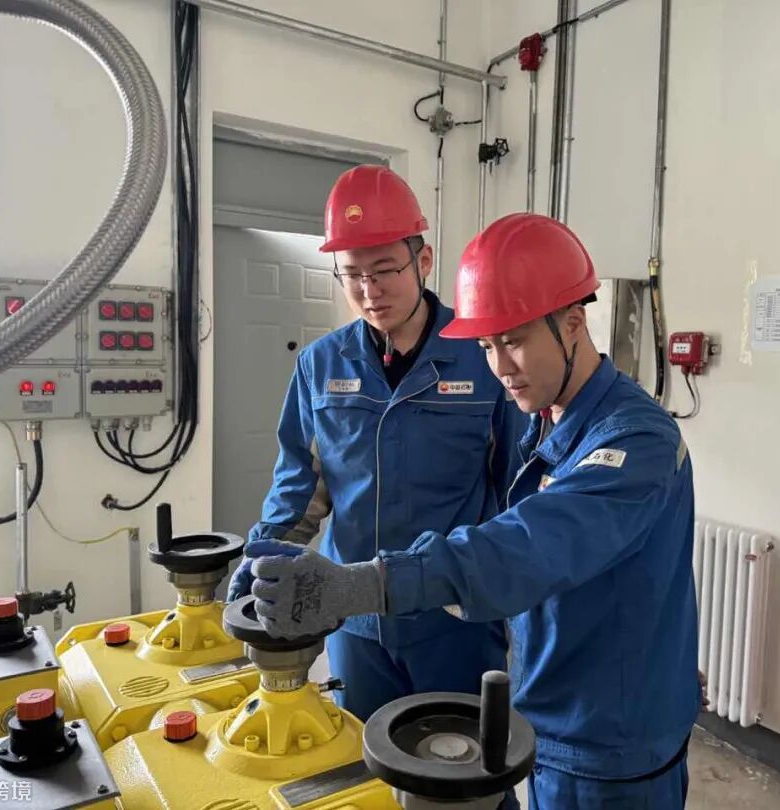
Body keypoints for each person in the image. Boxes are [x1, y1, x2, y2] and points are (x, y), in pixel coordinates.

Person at [242, 212, 701, 809]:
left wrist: (364, 584)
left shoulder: (636, 439)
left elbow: (526, 544)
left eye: (514, 341)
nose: (500, 368)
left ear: (573, 323)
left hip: (609, 735)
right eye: (486, 346)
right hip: (554, 707)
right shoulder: (550, 419)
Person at [227, 166, 527, 729]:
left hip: (454, 618)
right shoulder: (320, 365)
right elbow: (300, 483)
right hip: (352, 615)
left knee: (459, 760)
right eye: (352, 274)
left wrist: (518, 606)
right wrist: (264, 552)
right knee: (361, 756)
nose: (370, 291)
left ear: (424, 260)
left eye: (386, 269)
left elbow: (515, 491)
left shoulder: (483, 358)